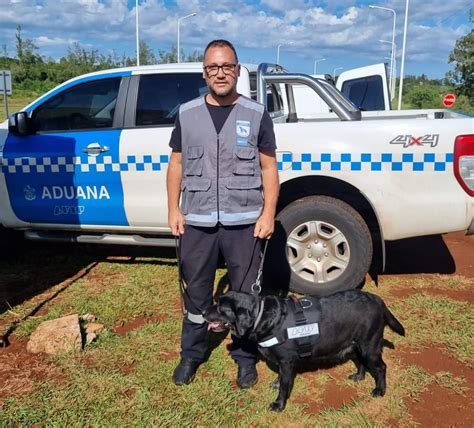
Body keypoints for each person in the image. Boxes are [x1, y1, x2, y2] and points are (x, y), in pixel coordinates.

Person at [167, 39, 279, 388]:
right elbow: (176, 166)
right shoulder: (186, 114)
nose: (220, 73)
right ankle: (192, 354)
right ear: (205, 72)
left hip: (244, 222)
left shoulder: (256, 113)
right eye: (213, 67)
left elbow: (269, 168)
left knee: (245, 297)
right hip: (197, 221)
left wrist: (268, 214)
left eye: (227, 66)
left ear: (237, 70)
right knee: (196, 293)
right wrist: (173, 209)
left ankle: (245, 358)